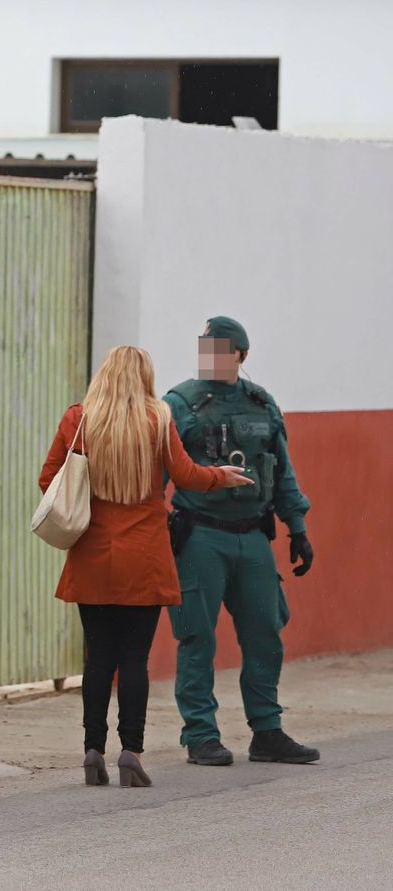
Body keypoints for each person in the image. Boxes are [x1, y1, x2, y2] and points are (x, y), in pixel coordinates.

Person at [40, 346, 250, 787]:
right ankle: (131, 752)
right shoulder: (157, 419)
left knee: (99, 657)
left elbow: (49, 480)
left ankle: (92, 750)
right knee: (134, 657)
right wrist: (221, 476)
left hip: (93, 554)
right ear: (145, 377)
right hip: (144, 557)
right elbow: (187, 474)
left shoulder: (79, 418)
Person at [165, 316, 319, 767]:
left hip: (252, 536)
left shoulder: (261, 404)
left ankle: (267, 732)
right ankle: (200, 735)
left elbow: (281, 469)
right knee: (197, 637)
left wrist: (297, 527)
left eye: (220, 348)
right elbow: (157, 471)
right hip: (200, 535)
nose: (210, 356)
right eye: (205, 347)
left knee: (265, 634)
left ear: (241, 355)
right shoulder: (180, 403)